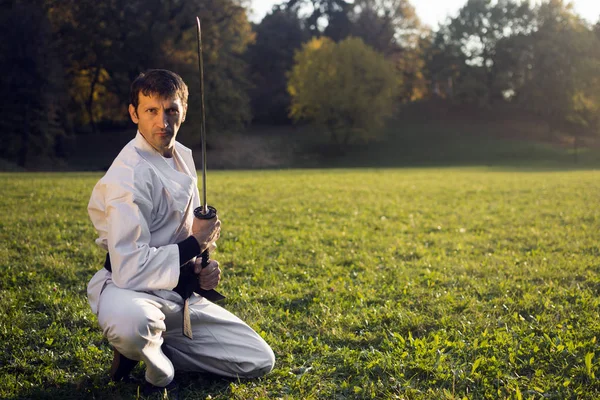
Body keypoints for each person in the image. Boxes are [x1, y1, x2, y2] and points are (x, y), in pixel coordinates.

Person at [86, 69, 275, 394]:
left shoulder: (183, 157)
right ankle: (147, 353)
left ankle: (161, 347)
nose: (163, 122)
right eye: (152, 111)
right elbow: (129, 268)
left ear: (183, 111)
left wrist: (202, 266)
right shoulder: (127, 176)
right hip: (129, 292)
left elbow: (188, 233)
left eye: (171, 110)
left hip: (177, 296)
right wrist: (195, 243)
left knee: (258, 360)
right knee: (135, 327)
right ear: (134, 114)